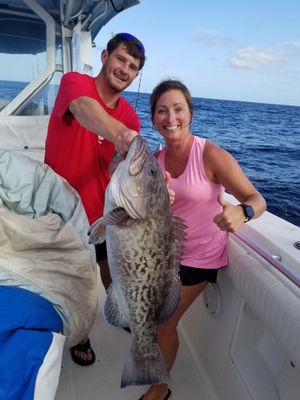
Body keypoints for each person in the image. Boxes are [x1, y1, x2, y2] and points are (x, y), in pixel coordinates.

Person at [138, 79, 267, 400]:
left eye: (178, 109)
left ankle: (160, 390)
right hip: (164, 255)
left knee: (163, 325)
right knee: (148, 318)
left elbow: (257, 198)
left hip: (200, 258)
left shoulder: (210, 154)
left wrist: (242, 212)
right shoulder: (156, 161)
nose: (171, 118)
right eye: (162, 111)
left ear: (190, 113)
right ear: (153, 119)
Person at [44, 33, 146, 366]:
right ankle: (81, 334)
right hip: (60, 207)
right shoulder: (76, 83)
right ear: (104, 56)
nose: (125, 70)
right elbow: (82, 109)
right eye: (121, 59)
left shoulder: (131, 117)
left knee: (111, 271)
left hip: (104, 211)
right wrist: (120, 135)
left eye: (133, 67)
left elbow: (119, 168)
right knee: (77, 279)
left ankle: (122, 313)